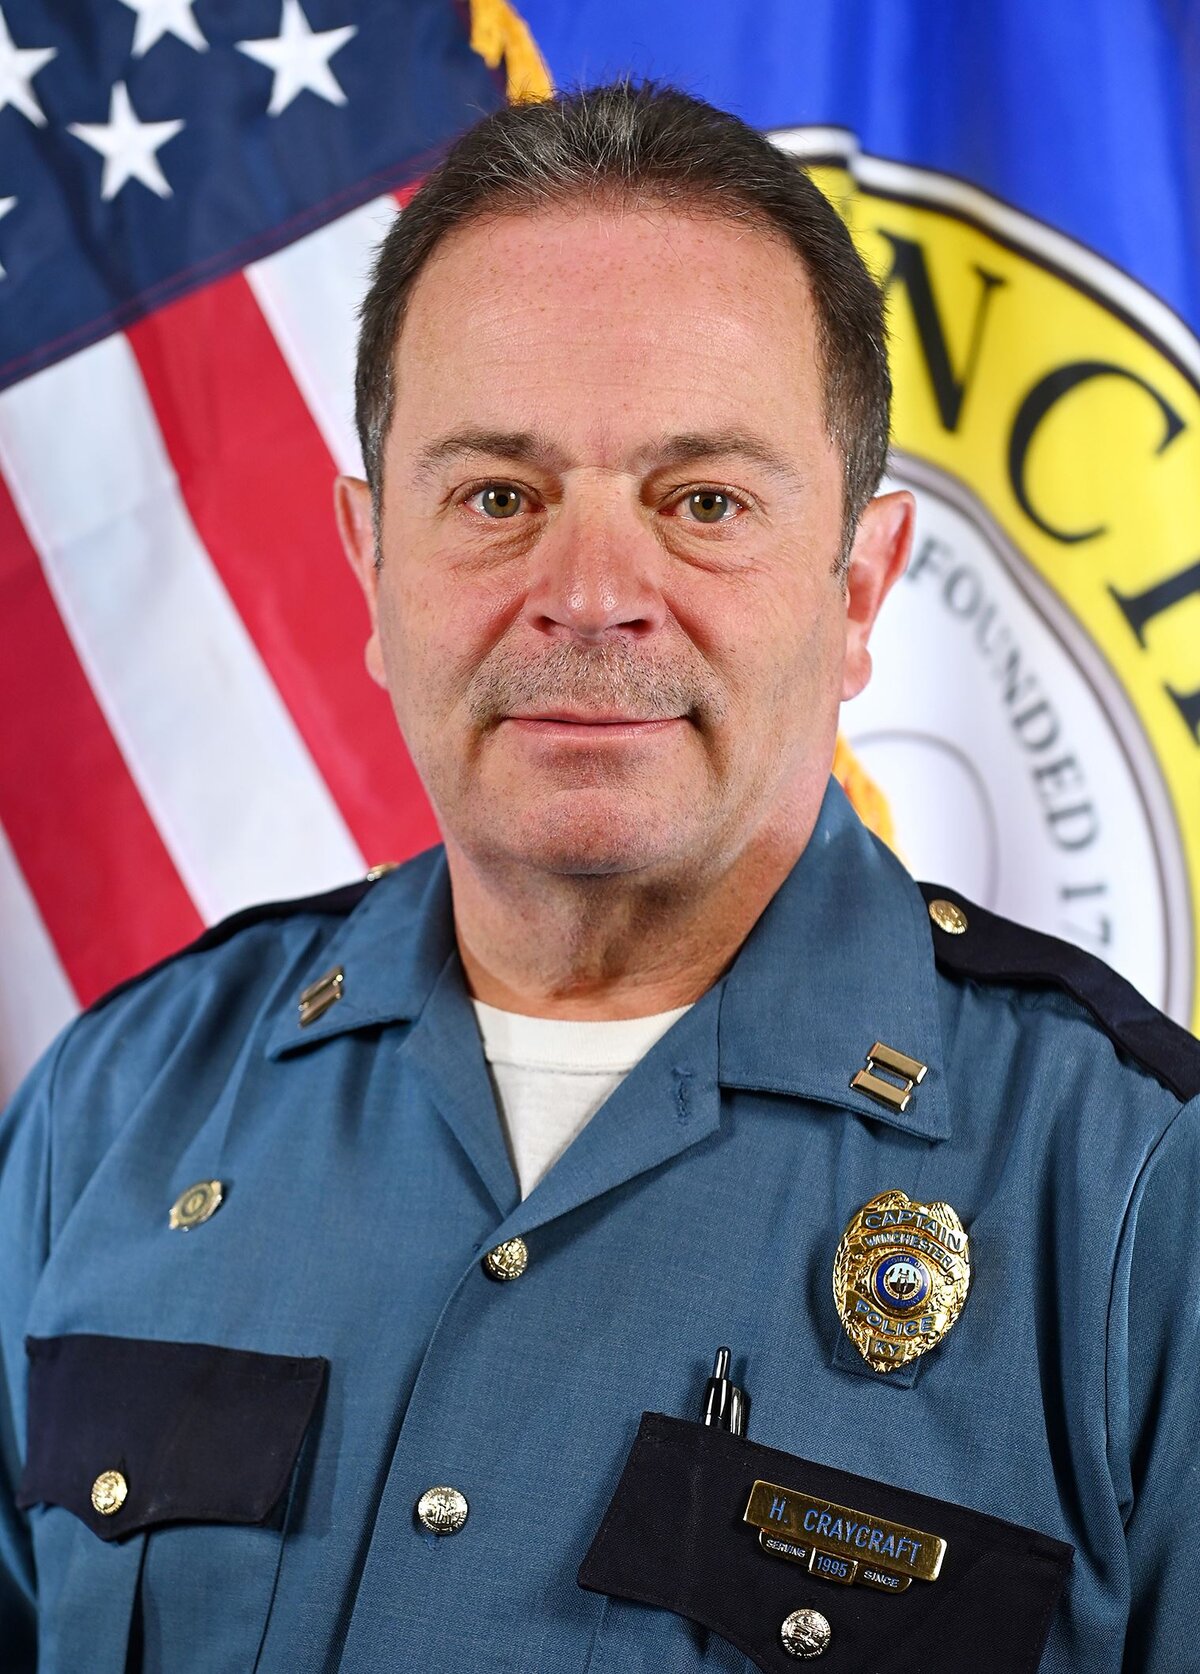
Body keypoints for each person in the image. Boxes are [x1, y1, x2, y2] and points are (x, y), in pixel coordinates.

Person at [1, 82, 1196, 1674]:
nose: (590, 596)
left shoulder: (1136, 1199)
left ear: (860, 584)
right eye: (500, 496)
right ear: (370, 561)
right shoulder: (114, 1107)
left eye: (702, 503)